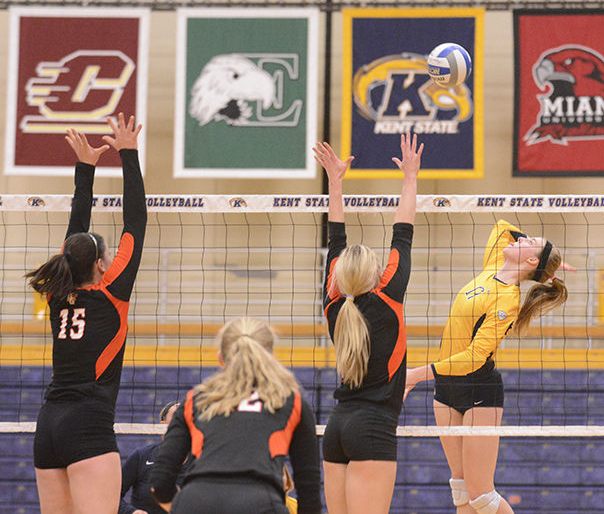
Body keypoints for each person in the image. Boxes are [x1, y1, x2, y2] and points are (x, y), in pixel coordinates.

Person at [404, 220, 572, 514]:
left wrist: (416, 375)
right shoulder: (494, 263)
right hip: (446, 388)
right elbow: (502, 227)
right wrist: (544, 262)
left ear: (531, 260)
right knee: (461, 492)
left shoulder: (507, 300)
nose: (521, 238)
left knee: (482, 496)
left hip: (478, 389)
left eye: (529, 241)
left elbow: (474, 358)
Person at [27, 113, 146, 514]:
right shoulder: (112, 292)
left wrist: (86, 168)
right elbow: (137, 221)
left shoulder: (59, 291)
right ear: (99, 264)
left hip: (49, 428)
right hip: (87, 425)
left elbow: (76, 234)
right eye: (107, 254)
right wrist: (128, 154)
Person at [314, 133, 422, 514]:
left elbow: (335, 239)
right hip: (373, 431)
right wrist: (410, 178)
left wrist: (336, 182)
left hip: (337, 429)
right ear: (379, 274)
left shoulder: (334, 303)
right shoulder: (387, 297)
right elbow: (403, 231)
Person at [149, 317, 321, 514]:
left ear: (220, 358)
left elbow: (159, 483)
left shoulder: (195, 401)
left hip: (196, 502)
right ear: (270, 357)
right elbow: (309, 494)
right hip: (261, 505)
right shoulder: (292, 403)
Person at [119, 401, 192, 514]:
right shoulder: (141, 456)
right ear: (162, 426)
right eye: (177, 413)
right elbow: (114, 497)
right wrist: (131, 512)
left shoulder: (201, 459)